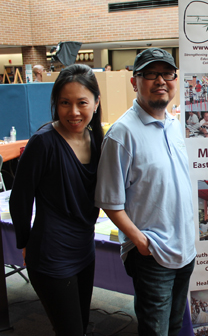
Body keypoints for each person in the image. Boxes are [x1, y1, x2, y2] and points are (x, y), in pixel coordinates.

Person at [95, 48, 196, 336]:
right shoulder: (121, 134)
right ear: (134, 81)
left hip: (184, 251)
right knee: (155, 331)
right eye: (150, 74)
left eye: (167, 73)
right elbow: (109, 201)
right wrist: (141, 242)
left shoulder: (175, 126)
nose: (160, 80)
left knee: (175, 327)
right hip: (152, 256)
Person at [9, 64, 103, 335]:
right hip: (51, 253)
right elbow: (20, 198)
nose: (73, 112)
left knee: (81, 325)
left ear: (96, 103)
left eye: (81, 103)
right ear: (55, 104)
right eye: (64, 103)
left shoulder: (96, 138)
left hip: (85, 248)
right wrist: (24, 242)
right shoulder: (44, 142)